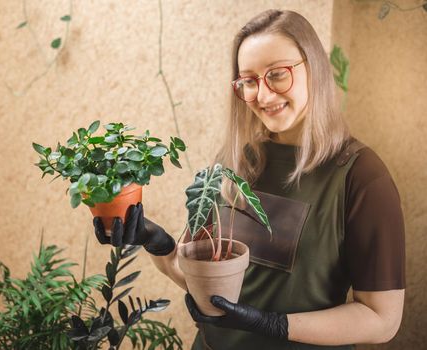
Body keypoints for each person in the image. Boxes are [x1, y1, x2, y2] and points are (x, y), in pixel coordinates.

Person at [93, 9, 405, 350]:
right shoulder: (236, 163)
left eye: (277, 75)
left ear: (313, 67)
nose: (264, 95)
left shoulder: (361, 176)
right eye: (249, 81)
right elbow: (208, 283)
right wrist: (158, 243)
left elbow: (381, 320)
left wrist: (273, 325)